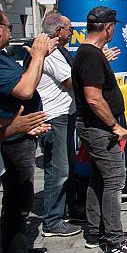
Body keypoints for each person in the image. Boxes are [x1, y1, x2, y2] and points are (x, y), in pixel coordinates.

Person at [72, 7, 127, 253]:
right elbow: (93, 98)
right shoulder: (90, 55)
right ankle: (115, 241)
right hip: (100, 128)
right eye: (114, 26)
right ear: (108, 28)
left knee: (99, 179)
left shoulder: (89, 53)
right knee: (114, 181)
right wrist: (114, 125)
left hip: (95, 127)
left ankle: (95, 232)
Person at [0, 10, 56, 253]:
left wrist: (37, 59)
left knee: (18, 201)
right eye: (10, 26)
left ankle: (17, 250)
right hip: (12, 139)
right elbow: (24, 89)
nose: (12, 31)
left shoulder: (5, 57)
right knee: (17, 202)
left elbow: (29, 80)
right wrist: (39, 56)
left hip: (21, 133)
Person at [36, 13, 83, 238]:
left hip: (65, 113)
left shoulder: (60, 50)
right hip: (54, 116)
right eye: (69, 29)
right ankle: (52, 220)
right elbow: (70, 81)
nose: (71, 33)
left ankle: (66, 210)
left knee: (66, 167)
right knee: (58, 170)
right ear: (58, 31)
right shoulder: (50, 52)